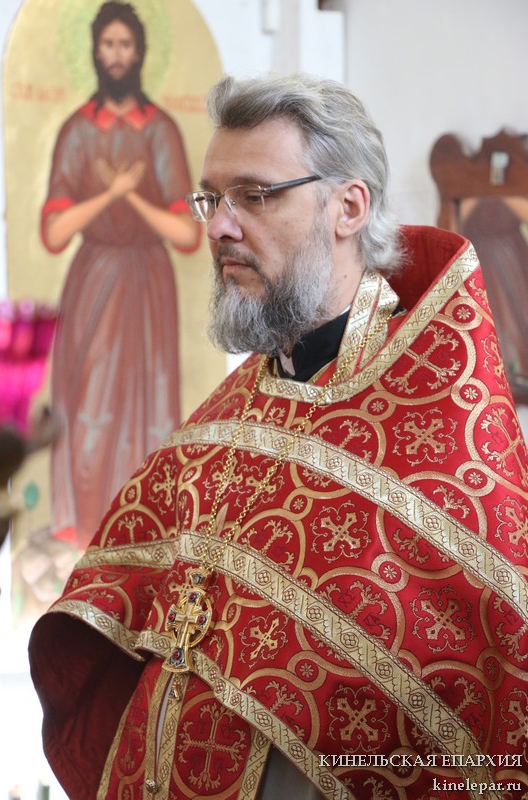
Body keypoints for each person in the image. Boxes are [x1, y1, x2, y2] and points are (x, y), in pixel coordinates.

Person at [30, 73, 528, 800]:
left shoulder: (441, 430)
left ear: (348, 207)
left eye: (255, 195)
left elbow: (486, 686)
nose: (218, 228)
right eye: (211, 198)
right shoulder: (222, 421)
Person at [41, 1, 200, 550]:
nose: (116, 55)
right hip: (93, 282)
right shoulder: (77, 131)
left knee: (149, 403)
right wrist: (110, 193)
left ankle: (142, 536)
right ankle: (86, 536)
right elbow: (54, 231)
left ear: (139, 53)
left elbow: (187, 234)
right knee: (89, 403)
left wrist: (131, 196)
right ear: (94, 51)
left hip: (147, 285)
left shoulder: (160, 130)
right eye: (107, 44)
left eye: (125, 45)